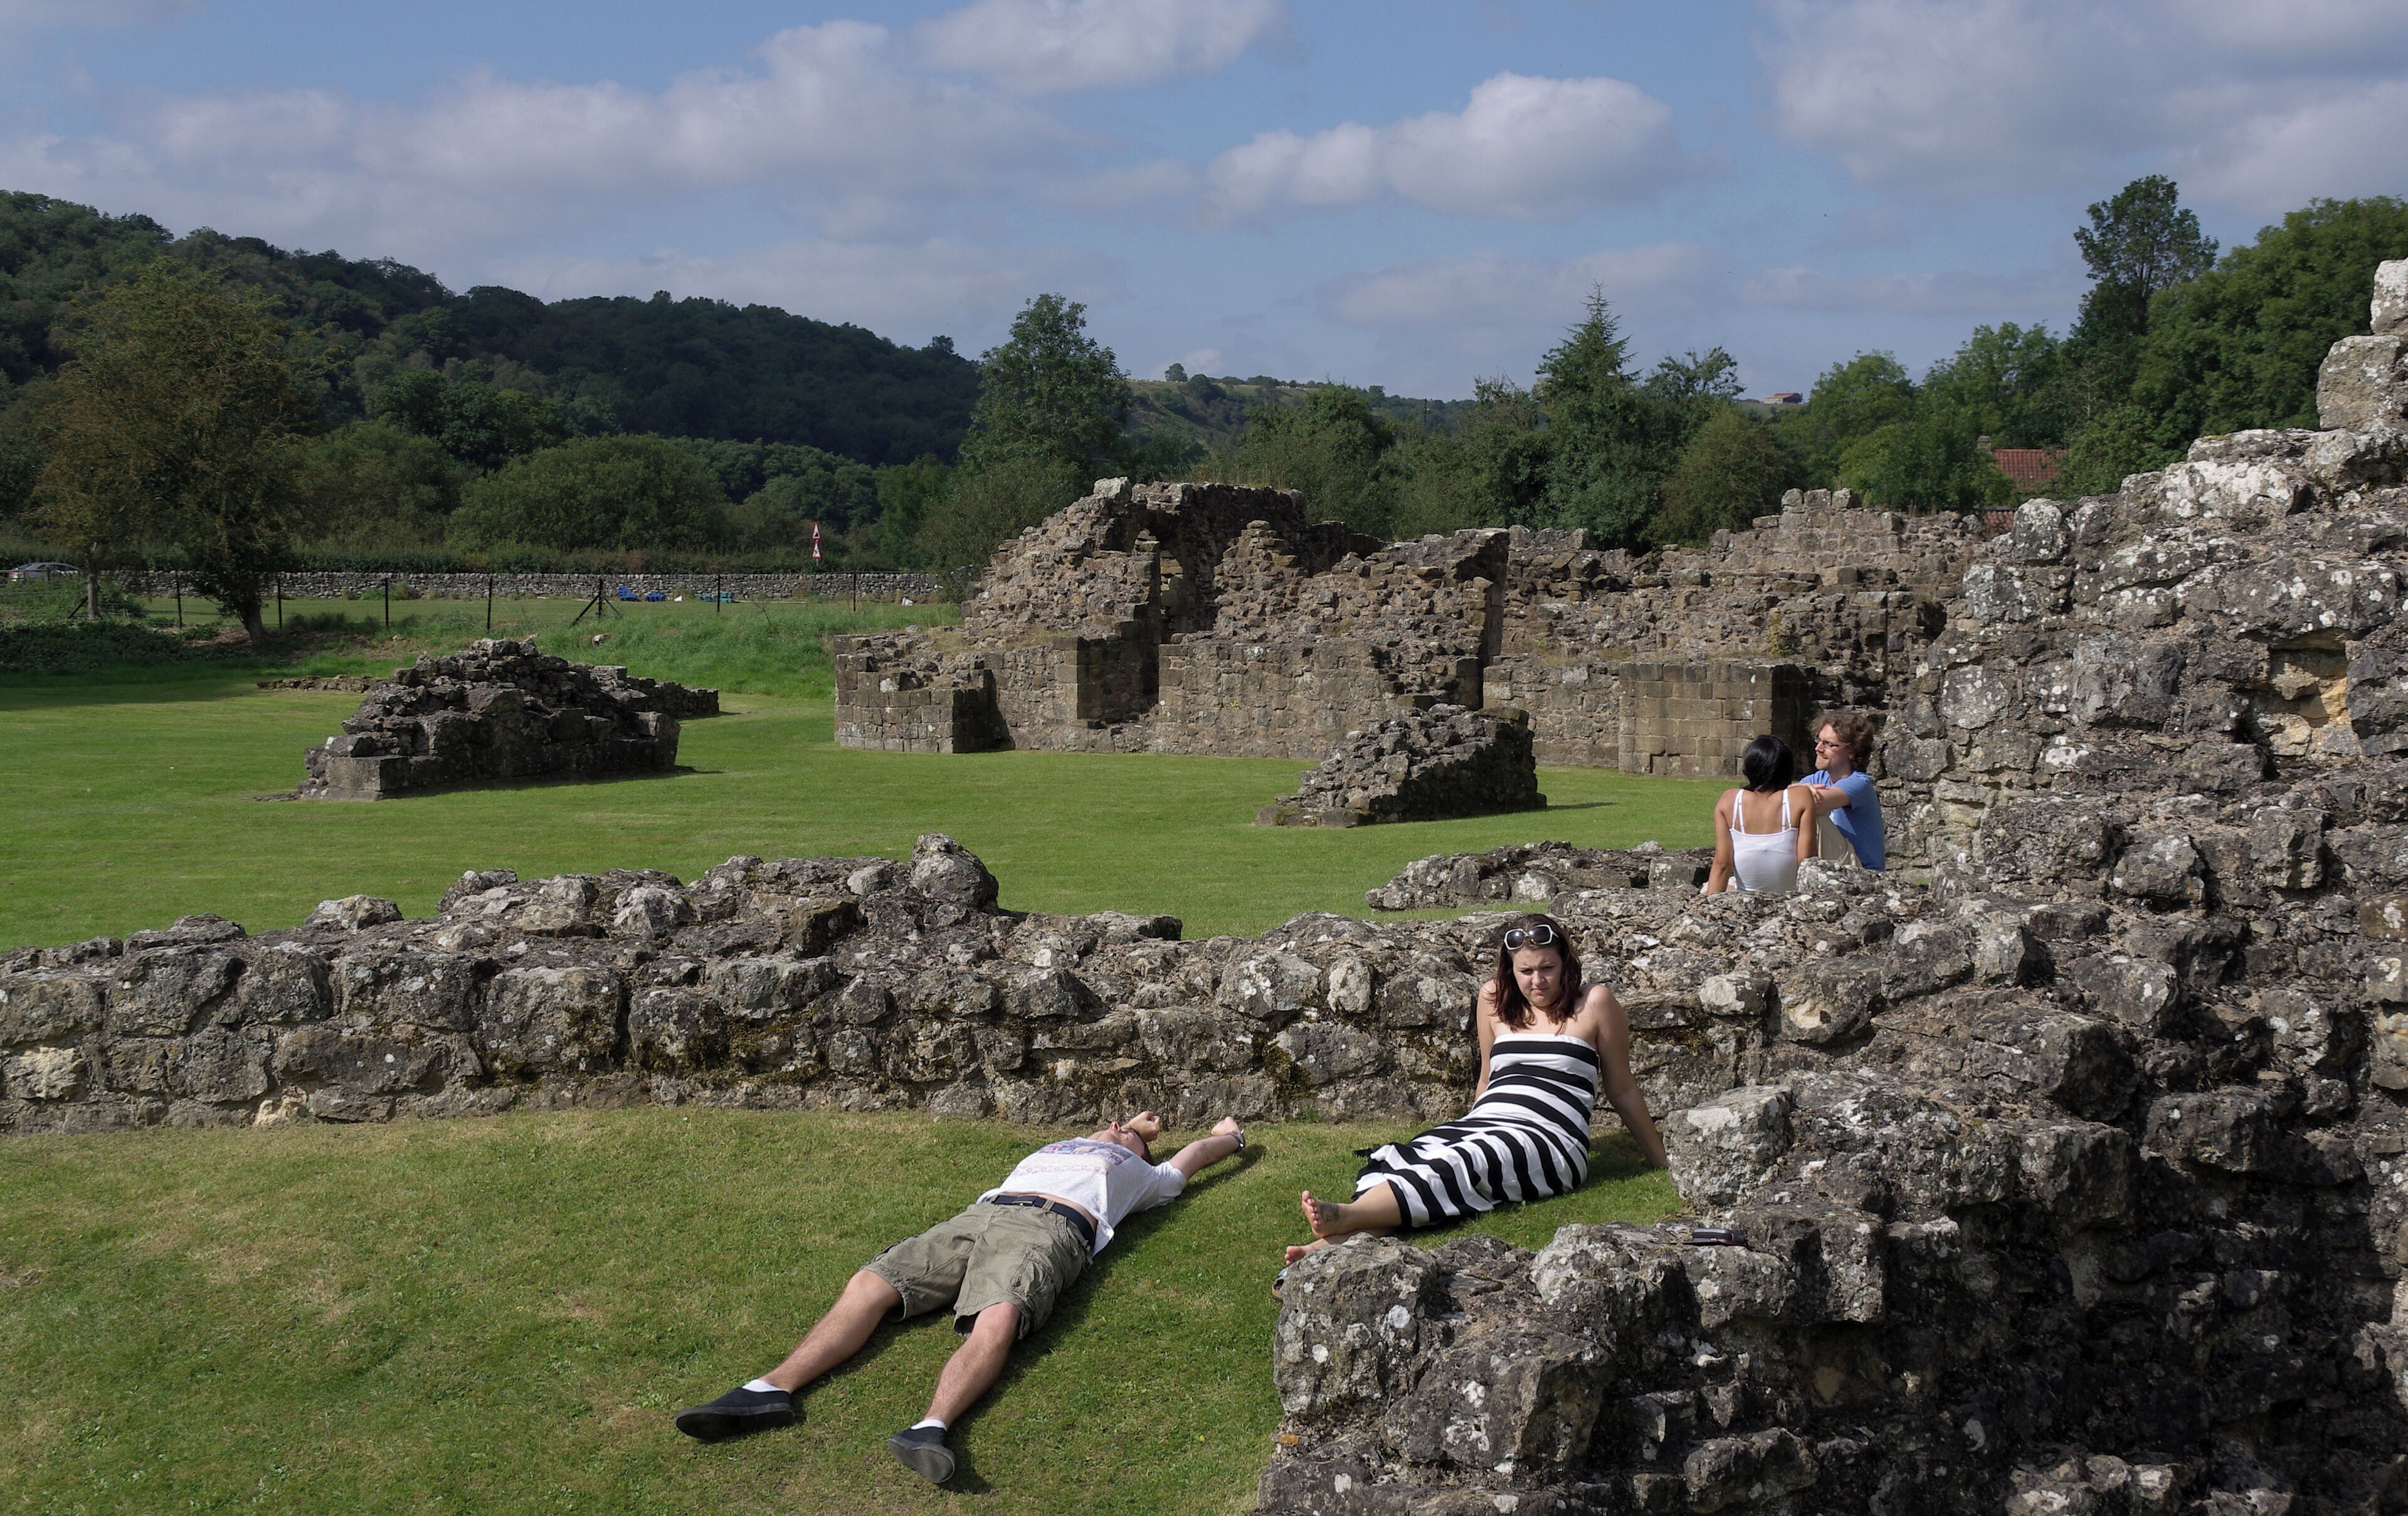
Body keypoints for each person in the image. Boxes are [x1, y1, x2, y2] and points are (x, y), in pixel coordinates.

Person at [675, 1110, 1246, 1485]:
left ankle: (931, 1429)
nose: (1115, 1127)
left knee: (1000, 1313)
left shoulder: (1144, 1178)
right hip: (979, 1215)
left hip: (1050, 1228)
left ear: (1142, 1155)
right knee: (871, 1283)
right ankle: (768, 1391)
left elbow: (1196, 1153)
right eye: (1113, 1124)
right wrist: (1132, 1126)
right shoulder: (1068, 1145)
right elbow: (1114, 1128)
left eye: (1127, 1134)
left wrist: (1230, 1136)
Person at [1281, 915, 1667, 1275]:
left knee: (1465, 1162)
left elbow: (1622, 1088)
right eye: (1526, 971)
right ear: (1510, 970)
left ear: (1566, 963)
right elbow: (1486, 1080)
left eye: (1548, 968)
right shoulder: (1494, 999)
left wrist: (1660, 1161)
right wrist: (1468, 1128)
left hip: (1551, 1138)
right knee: (1415, 1156)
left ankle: (1346, 1216)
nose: (1538, 981)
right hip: (1488, 1120)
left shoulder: (1595, 1003)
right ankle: (1329, 1247)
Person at [1705, 734, 1815, 896]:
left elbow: (1722, 865)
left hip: (1745, 901)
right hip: (1788, 899)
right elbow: (1806, 861)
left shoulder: (1729, 801)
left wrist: (1708, 905)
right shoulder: (1800, 797)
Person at [1801, 709, 1886, 870]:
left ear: (1851, 752)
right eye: (1819, 740)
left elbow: (1816, 804)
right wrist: (1797, 790)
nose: (1818, 748)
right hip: (1836, 864)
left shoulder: (1859, 784)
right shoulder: (1817, 779)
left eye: (1829, 744)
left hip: (1861, 871)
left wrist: (1796, 793)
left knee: (1812, 814)